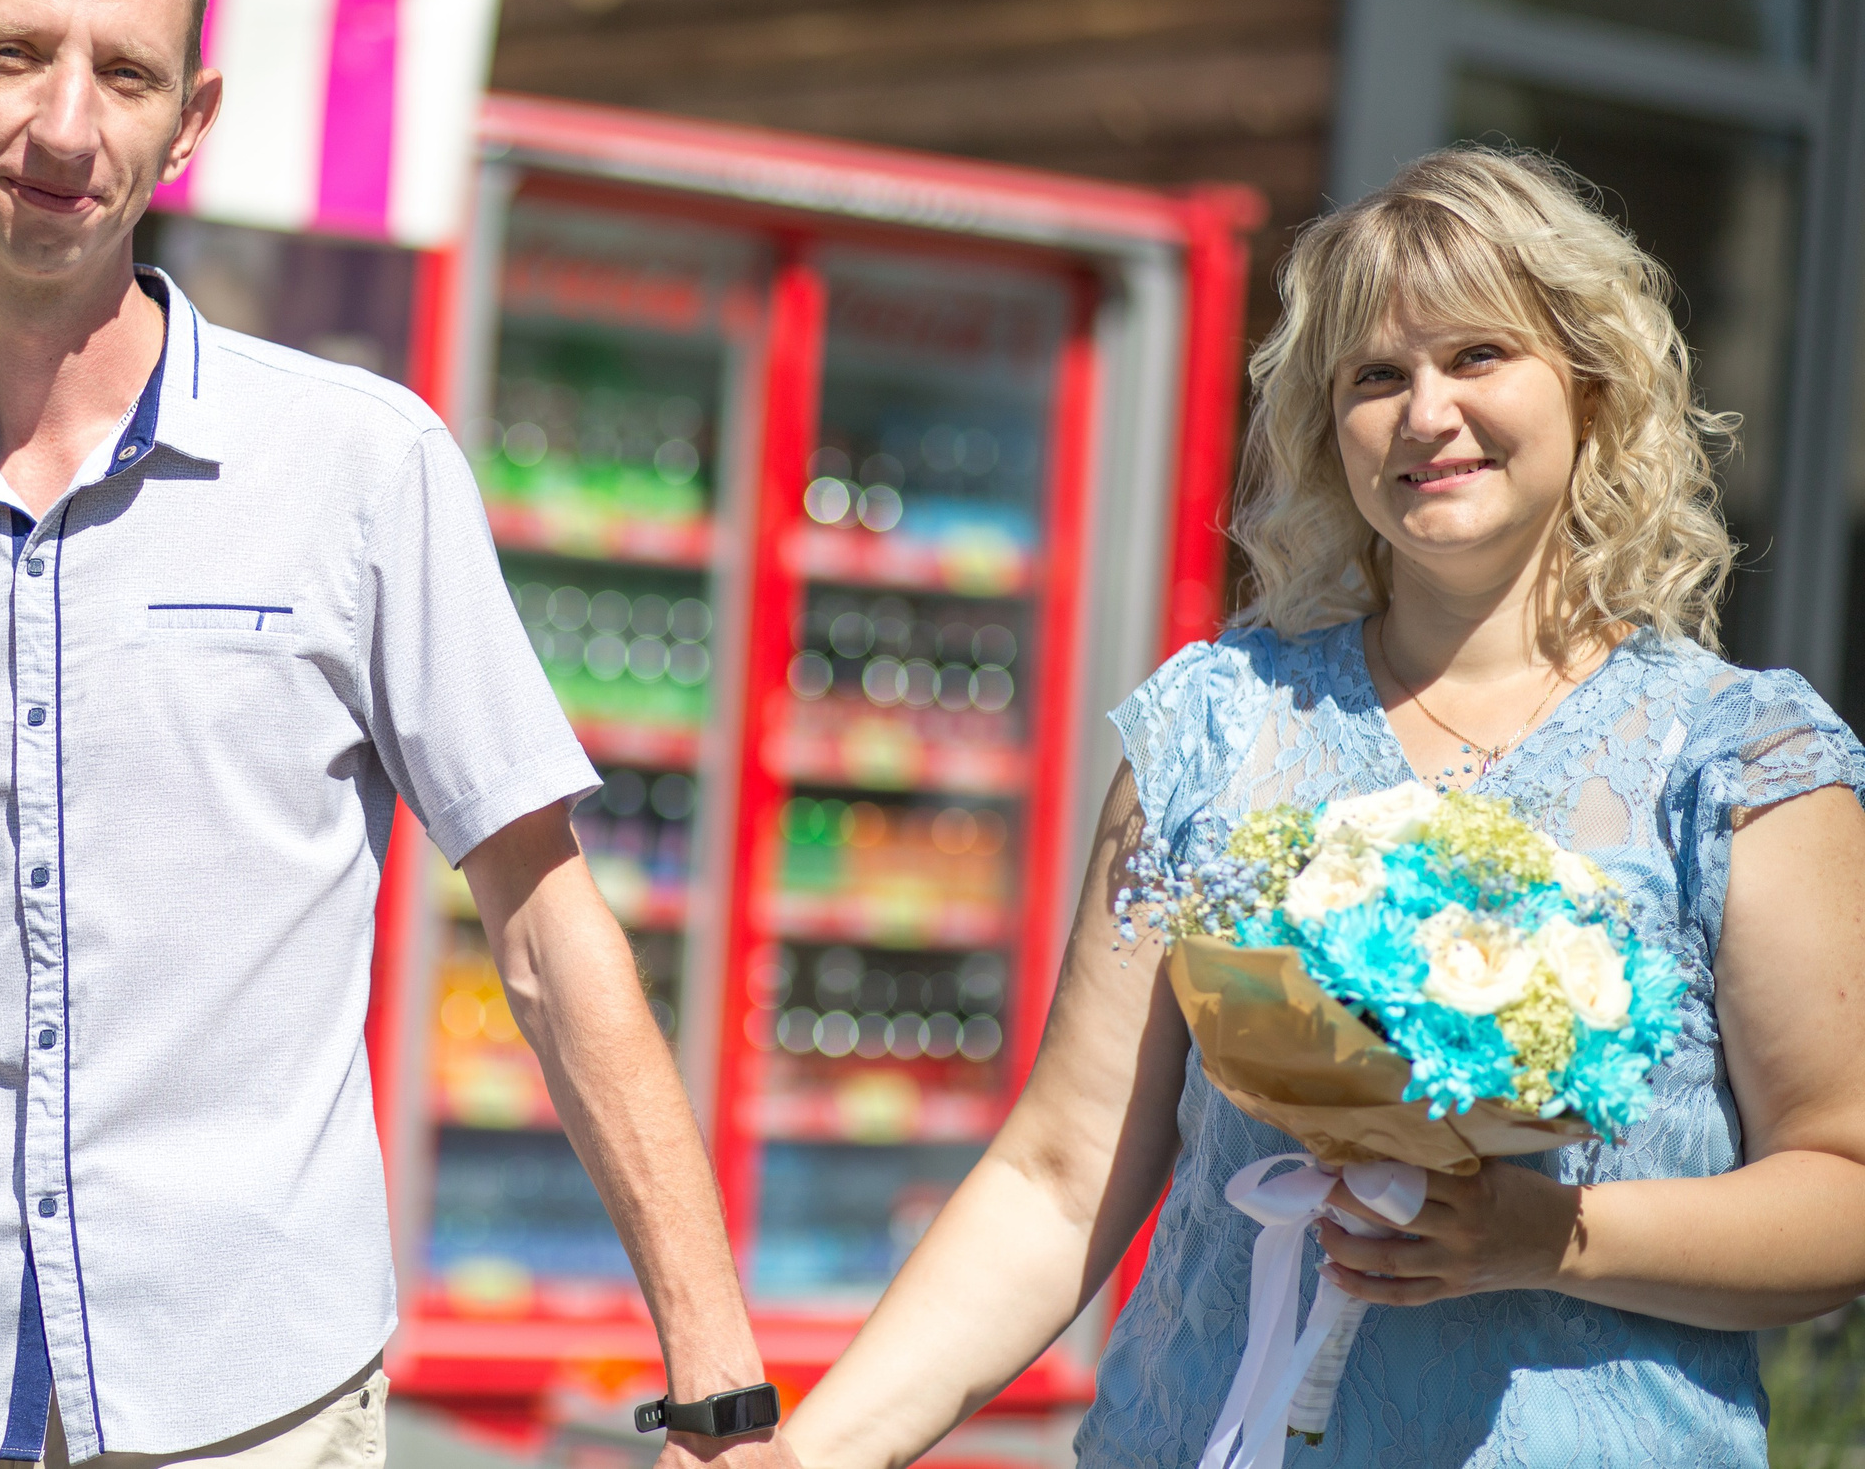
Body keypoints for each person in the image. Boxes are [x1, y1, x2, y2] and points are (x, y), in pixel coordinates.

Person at [0, 0, 795, 1469]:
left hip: (256, 1410)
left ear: (188, 123)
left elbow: (549, 932)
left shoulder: (361, 470)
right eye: (12, 53)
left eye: (124, 72)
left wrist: (721, 1378)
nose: (67, 127)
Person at [781, 146, 1865, 1467]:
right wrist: (807, 1453)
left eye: (1477, 357)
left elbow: (1844, 1198)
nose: (1425, 413)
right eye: (1375, 378)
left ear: (1587, 384)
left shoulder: (1741, 761)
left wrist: (1545, 1242)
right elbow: (1058, 1177)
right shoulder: (1211, 727)